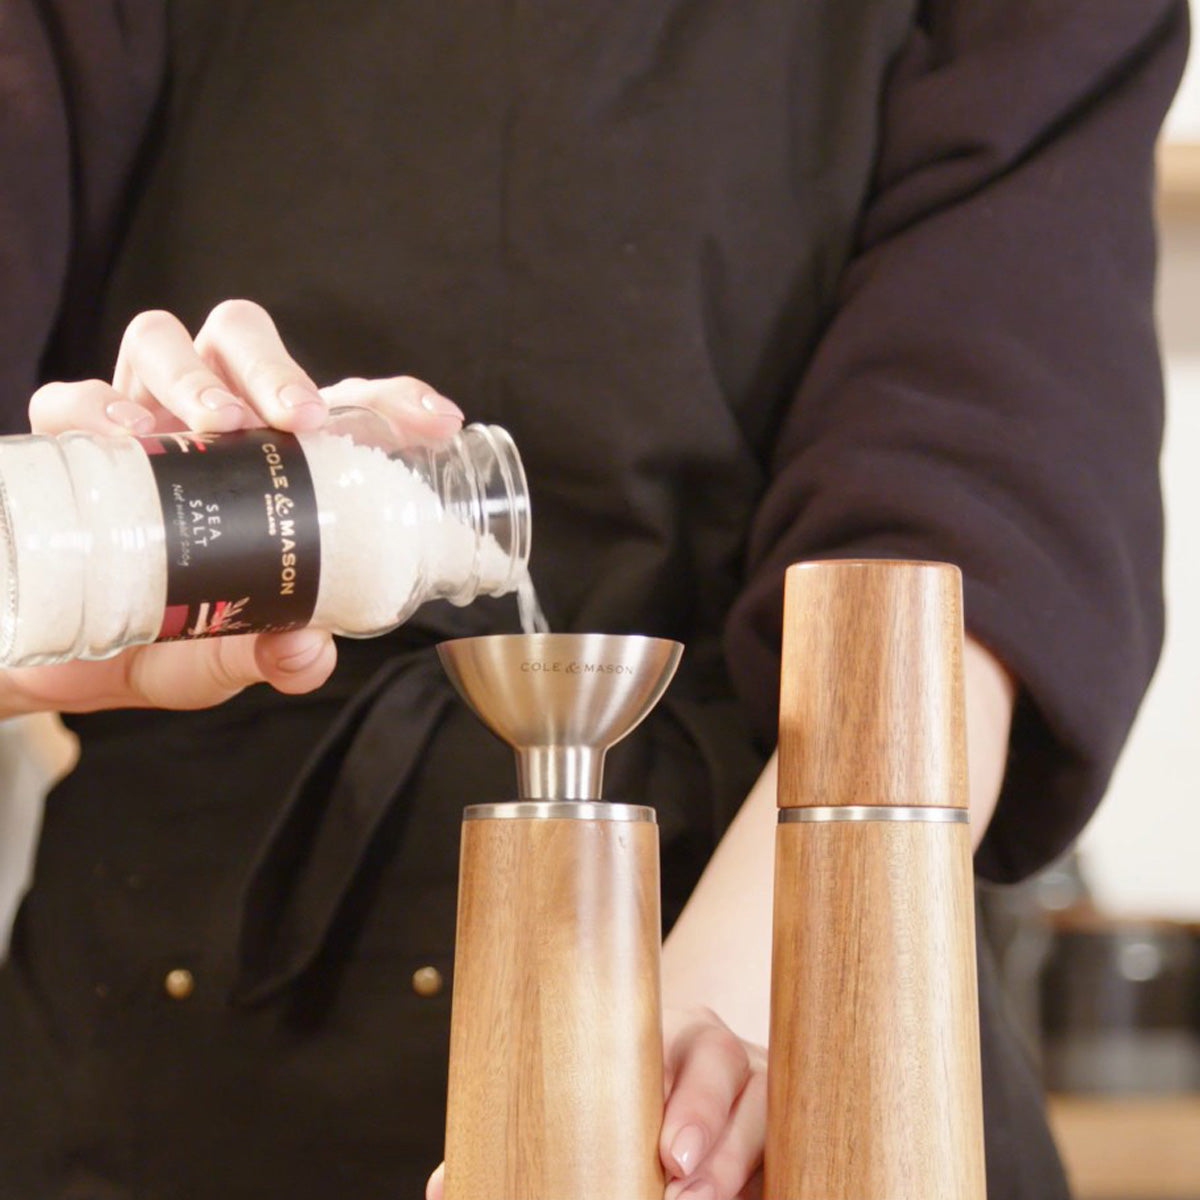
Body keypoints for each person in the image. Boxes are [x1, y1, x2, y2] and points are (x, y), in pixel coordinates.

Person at [0, 2, 1187, 1198]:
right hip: (188, 1027)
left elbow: (975, 526)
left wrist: (722, 1049)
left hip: (790, 961)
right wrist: (85, 551)